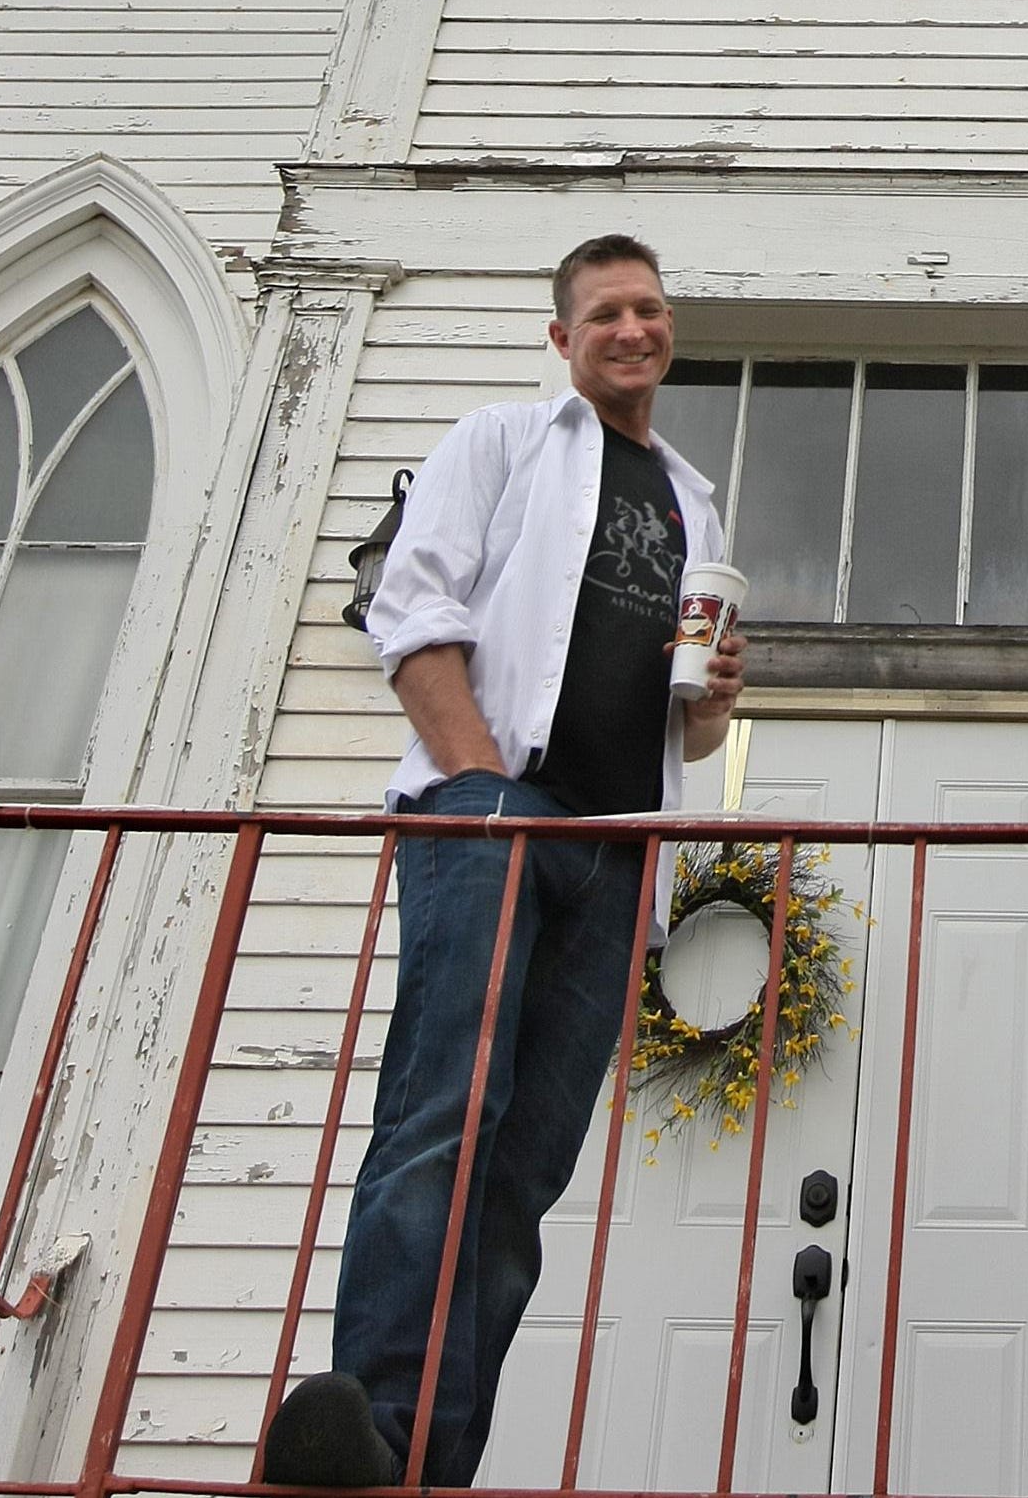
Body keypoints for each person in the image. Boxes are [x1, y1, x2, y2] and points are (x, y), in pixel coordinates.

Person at [262, 235, 745, 1489]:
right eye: (606, 311)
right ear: (563, 336)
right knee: (443, 1114)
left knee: (526, 1168)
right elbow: (412, 610)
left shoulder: (691, 501)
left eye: (649, 307)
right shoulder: (499, 441)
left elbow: (686, 729)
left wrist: (713, 702)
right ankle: (372, 1425)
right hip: (496, 814)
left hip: (617, 851)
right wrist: (480, 785)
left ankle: (436, 1456)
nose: (632, 328)